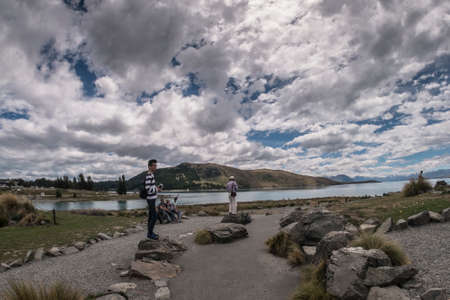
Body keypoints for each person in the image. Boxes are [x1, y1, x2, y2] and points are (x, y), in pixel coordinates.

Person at [145, 159, 162, 240]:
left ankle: (150, 233)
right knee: (154, 216)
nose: (156, 167)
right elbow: (148, 188)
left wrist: (156, 187)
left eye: (156, 165)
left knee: (151, 216)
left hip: (152, 198)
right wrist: (157, 190)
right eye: (154, 165)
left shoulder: (151, 175)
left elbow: (151, 186)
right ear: (149, 166)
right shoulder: (149, 175)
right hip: (150, 199)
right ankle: (150, 233)